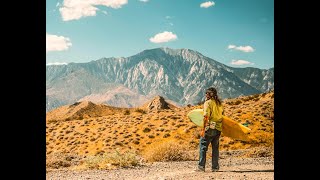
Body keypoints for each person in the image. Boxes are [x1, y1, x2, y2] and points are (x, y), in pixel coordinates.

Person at [195, 87, 224, 172]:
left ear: (209, 94)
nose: (205, 94)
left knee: (203, 146)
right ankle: (215, 167)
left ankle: (201, 167)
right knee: (215, 148)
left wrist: (203, 129)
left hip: (210, 128)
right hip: (218, 128)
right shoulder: (219, 104)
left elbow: (206, 116)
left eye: (206, 93)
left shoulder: (207, 103)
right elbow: (222, 115)